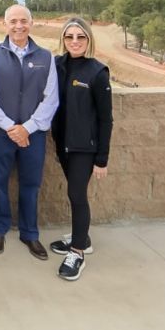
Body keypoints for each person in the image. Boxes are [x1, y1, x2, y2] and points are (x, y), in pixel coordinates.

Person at [0, 4, 59, 260]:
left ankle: (30, 233)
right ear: (5, 24)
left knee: (31, 184)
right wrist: (9, 127)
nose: (18, 26)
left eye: (23, 20)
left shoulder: (46, 58)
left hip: (33, 135)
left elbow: (51, 99)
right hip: (1, 134)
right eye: (13, 21)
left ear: (31, 23)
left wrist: (28, 127)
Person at [50, 17, 112, 281]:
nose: (74, 42)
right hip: (62, 143)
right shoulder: (57, 65)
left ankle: (77, 252)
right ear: (63, 40)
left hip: (84, 148)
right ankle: (81, 238)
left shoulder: (98, 72)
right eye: (69, 37)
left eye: (80, 37)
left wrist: (102, 158)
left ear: (89, 40)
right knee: (75, 193)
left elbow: (105, 119)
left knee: (77, 195)